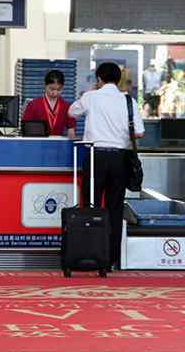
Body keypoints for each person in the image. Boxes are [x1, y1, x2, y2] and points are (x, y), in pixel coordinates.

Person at [68, 62, 145, 270]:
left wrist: (93, 93)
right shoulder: (128, 100)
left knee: (90, 206)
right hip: (119, 159)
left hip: (96, 155)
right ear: (119, 79)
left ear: (99, 79)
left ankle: (89, 254)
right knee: (115, 208)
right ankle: (111, 258)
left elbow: (72, 112)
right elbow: (139, 132)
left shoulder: (91, 97)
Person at [22, 70, 77, 138]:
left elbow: (71, 130)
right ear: (45, 85)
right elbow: (26, 129)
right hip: (38, 143)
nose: (55, 93)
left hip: (58, 145)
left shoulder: (66, 106)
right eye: (52, 89)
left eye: (59, 89)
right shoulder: (33, 105)